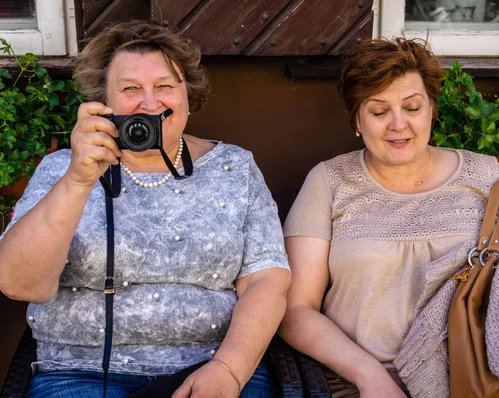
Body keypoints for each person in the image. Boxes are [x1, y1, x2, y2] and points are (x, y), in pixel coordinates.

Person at [278, 37, 499, 397]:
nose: (398, 124)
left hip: (473, 382)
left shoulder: (483, 177)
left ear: (432, 108)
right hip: (362, 386)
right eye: (378, 111)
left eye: (412, 107)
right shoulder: (329, 181)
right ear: (356, 120)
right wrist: (369, 375)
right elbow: (296, 310)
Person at [0, 20, 290, 398]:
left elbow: (265, 282)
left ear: (188, 95)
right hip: (82, 372)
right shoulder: (62, 170)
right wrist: (78, 181)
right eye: (131, 88)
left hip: (212, 364)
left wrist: (228, 370)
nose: (150, 103)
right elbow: (20, 283)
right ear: (103, 101)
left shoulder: (234, 167)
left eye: (165, 86)